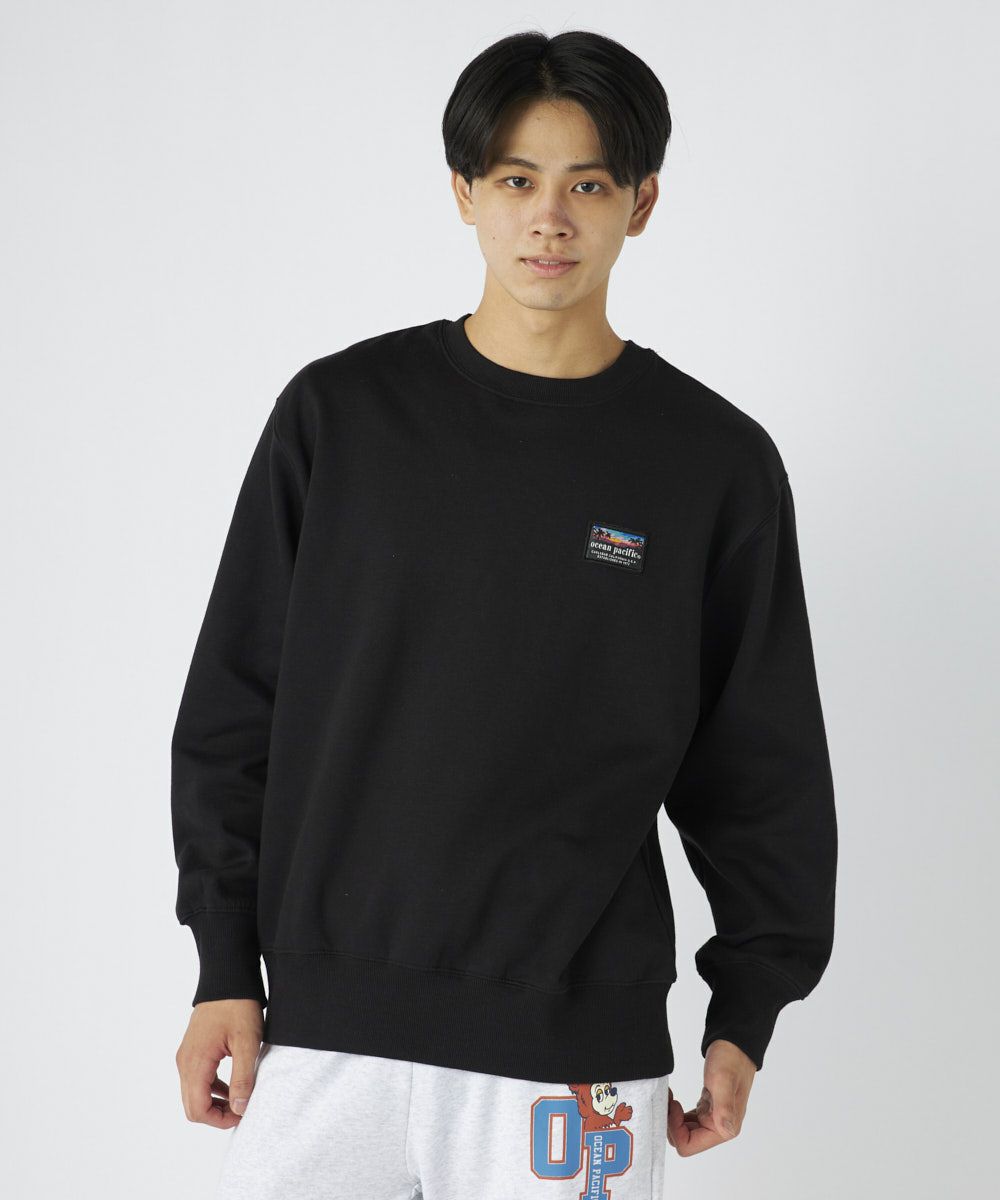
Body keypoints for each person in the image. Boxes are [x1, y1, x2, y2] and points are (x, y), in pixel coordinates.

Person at [171, 28, 838, 1199]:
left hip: (571, 1052)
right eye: (517, 180)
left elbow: (760, 764)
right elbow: (236, 705)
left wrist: (746, 1012)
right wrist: (223, 960)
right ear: (464, 193)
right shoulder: (342, 417)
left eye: (588, 185)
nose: (549, 219)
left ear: (641, 204)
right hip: (326, 1034)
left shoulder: (710, 464)